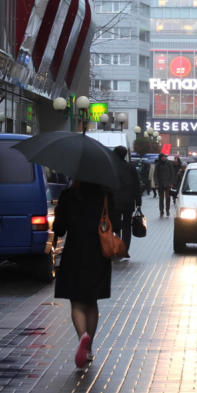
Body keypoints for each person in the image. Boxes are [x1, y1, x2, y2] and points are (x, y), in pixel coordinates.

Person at [53, 180, 117, 368]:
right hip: (98, 254)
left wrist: (60, 213)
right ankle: (88, 349)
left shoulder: (68, 195)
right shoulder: (105, 195)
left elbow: (59, 229)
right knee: (91, 302)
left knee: (76, 302)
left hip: (74, 252)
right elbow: (117, 223)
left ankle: (83, 337)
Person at [111, 146, 142, 257]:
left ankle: (115, 247)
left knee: (114, 224)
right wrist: (138, 202)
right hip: (128, 202)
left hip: (113, 201)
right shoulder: (130, 167)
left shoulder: (111, 166)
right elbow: (136, 186)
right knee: (127, 226)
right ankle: (124, 249)